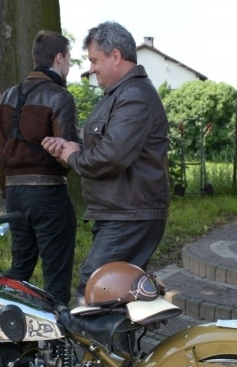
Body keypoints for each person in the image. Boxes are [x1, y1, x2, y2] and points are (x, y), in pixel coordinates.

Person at [41, 21, 170, 304]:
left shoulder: (134, 96)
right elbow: (107, 143)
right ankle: (117, 349)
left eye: (94, 60)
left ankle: (94, 349)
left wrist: (72, 156)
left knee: (94, 292)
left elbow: (112, 157)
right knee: (117, 295)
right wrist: (73, 144)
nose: (91, 68)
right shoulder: (120, 95)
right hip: (123, 212)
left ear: (115, 56)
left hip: (129, 215)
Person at [0, 30, 80, 305]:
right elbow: (65, 152)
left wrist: (10, 194)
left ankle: (7, 332)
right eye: (68, 60)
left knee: (19, 271)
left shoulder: (7, 96)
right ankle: (55, 344)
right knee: (56, 280)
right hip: (49, 195)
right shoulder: (59, 97)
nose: (69, 67)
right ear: (58, 57)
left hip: (16, 196)